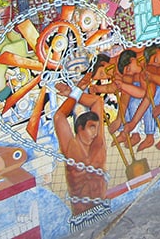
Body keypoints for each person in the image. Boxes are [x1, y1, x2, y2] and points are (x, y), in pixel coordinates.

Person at [53, 79, 109, 225]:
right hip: (81, 217)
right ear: (80, 129)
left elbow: (97, 102)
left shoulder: (98, 144)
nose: (96, 132)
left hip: (103, 209)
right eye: (91, 127)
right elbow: (59, 117)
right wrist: (77, 89)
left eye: (96, 127)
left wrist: (72, 92)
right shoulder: (70, 148)